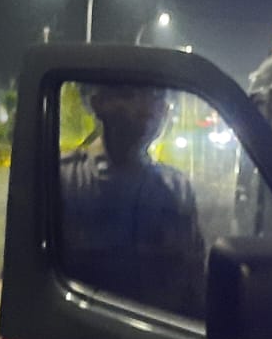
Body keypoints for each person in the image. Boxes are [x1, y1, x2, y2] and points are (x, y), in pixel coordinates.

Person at [58, 83, 206, 316]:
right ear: (98, 103)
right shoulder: (63, 179)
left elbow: (194, 286)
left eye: (157, 97)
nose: (148, 109)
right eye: (129, 96)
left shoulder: (177, 188)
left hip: (163, 334)